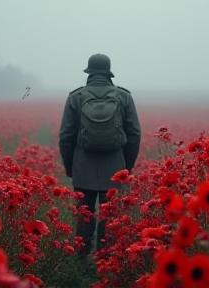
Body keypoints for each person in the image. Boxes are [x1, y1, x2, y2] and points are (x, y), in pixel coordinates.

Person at [59, 53, 141, 262]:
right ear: (108, 73)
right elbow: (134, 135)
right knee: (109, 217)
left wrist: (71, 168)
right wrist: (126, 168)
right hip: (115, 166)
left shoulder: (76, 97)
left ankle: (82, 261)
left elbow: (66, 137)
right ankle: (106, 263)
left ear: (89, 72)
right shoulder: (123, 97)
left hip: (83, 165)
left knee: (84, 216)